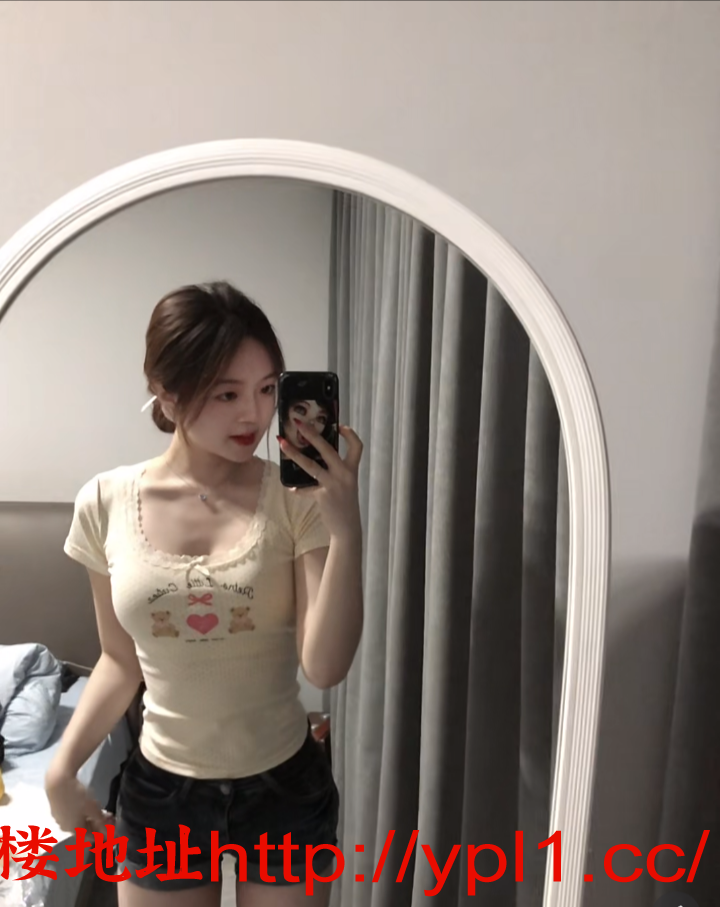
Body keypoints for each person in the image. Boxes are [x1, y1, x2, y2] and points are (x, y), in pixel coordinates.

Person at [44, 281, 364, 907]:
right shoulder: (105, 503)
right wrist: (63, 766)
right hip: (163, 793)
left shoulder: (295, 500)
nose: (255, 415)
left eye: (267, 389)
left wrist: (347, 531)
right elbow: (119, 661)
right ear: (166, 392)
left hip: (284, 786)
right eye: (227, 393)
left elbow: (324, 666)